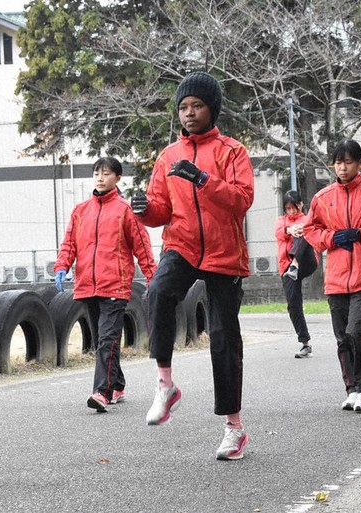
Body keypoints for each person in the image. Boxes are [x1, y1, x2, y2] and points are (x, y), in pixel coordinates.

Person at [131, 71, 255, 460]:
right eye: (183, 107)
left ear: (212, 108)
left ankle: (233, 427)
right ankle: (165, 384)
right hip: (181, 244)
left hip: (224, 252)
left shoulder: (232, 151)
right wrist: (144, 210)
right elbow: (161, 209)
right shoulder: (168, 156)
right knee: (158, 291)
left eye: (197, 106)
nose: (189, 113)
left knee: (222, 337)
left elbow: (242, 199)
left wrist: (203, 179)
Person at [53, 157, 157, 412]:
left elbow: (142, 247)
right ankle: (118, 384)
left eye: (107, 173)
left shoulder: (125, 211)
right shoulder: (81, 211)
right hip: (87, 285)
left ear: (118, 178)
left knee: (108, 339)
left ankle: (102, 391)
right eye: (97, 173)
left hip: (115, 286)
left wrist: (153, 278)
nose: (100, 177)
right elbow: (70, 244)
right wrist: (62, 266)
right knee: (102, 339)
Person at [303, 139, 361, 413]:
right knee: (342, 337)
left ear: (359, 163)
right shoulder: (322, 197)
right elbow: (310, 230)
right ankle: (352, 389)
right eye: (338, 162)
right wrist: (331, 237)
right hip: (336, 277)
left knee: (358, 331)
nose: (342, 167)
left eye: (348, 162)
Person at [274, 190, 317, 358]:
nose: (291, 212)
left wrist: (298, 230)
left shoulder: (306, 219)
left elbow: (312, 233)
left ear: (301, 205)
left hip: (306, 262)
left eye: (294, 208)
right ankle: (305, 343)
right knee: (293, 305)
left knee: (304, 229)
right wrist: (289, 230)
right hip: (287, 268)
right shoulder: (280, 221)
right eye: (288, 208)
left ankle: (295, 263)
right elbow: (277, 232)